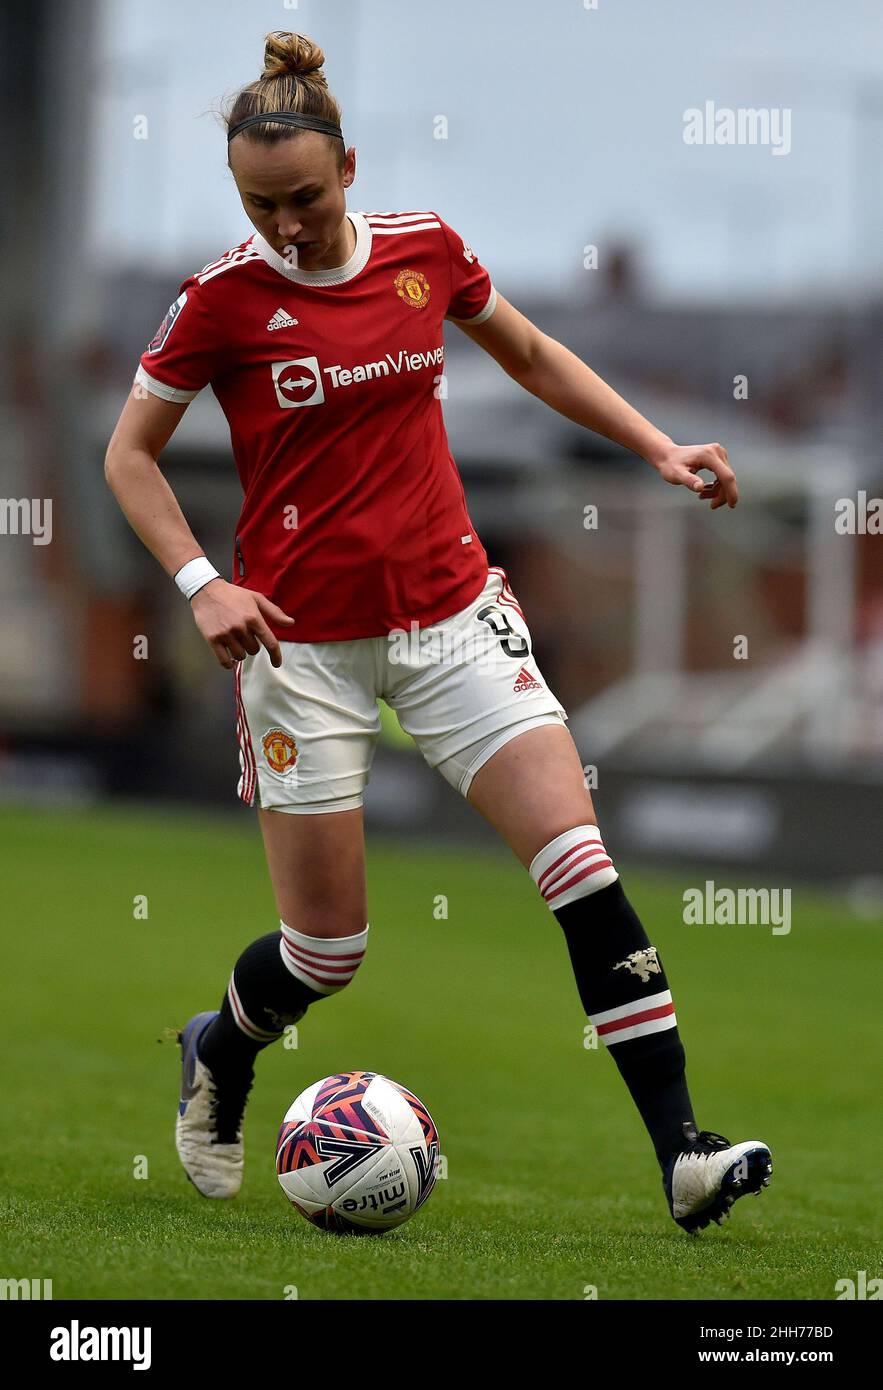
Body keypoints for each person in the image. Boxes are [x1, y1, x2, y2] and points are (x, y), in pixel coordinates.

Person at [104, 30, 771, 1235]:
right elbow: (127, 456)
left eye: (305, 198)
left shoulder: (425, 254)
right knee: (326, 953)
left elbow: (529, 352)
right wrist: (202, 579)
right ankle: (221, 1047)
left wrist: (659, 446)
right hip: (299, 651)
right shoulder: (220, 299)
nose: (288, 226)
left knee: (578, 864)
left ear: (349, 167)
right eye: (262, 204)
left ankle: (683, 1152)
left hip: (456, 620)